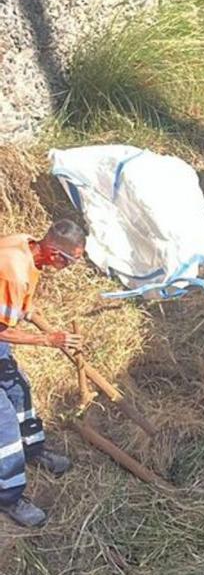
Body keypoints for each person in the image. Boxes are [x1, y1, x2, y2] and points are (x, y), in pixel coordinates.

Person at [0, 220, 87, 531]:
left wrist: (50, 330)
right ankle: (9, 497)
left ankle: (34, 450)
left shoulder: (26, 245)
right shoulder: (14, 270)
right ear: (54, 254)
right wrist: (47, 340)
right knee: (4, 424)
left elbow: (20, 308)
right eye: (73, 260)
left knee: (19, 388)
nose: (72, 267)